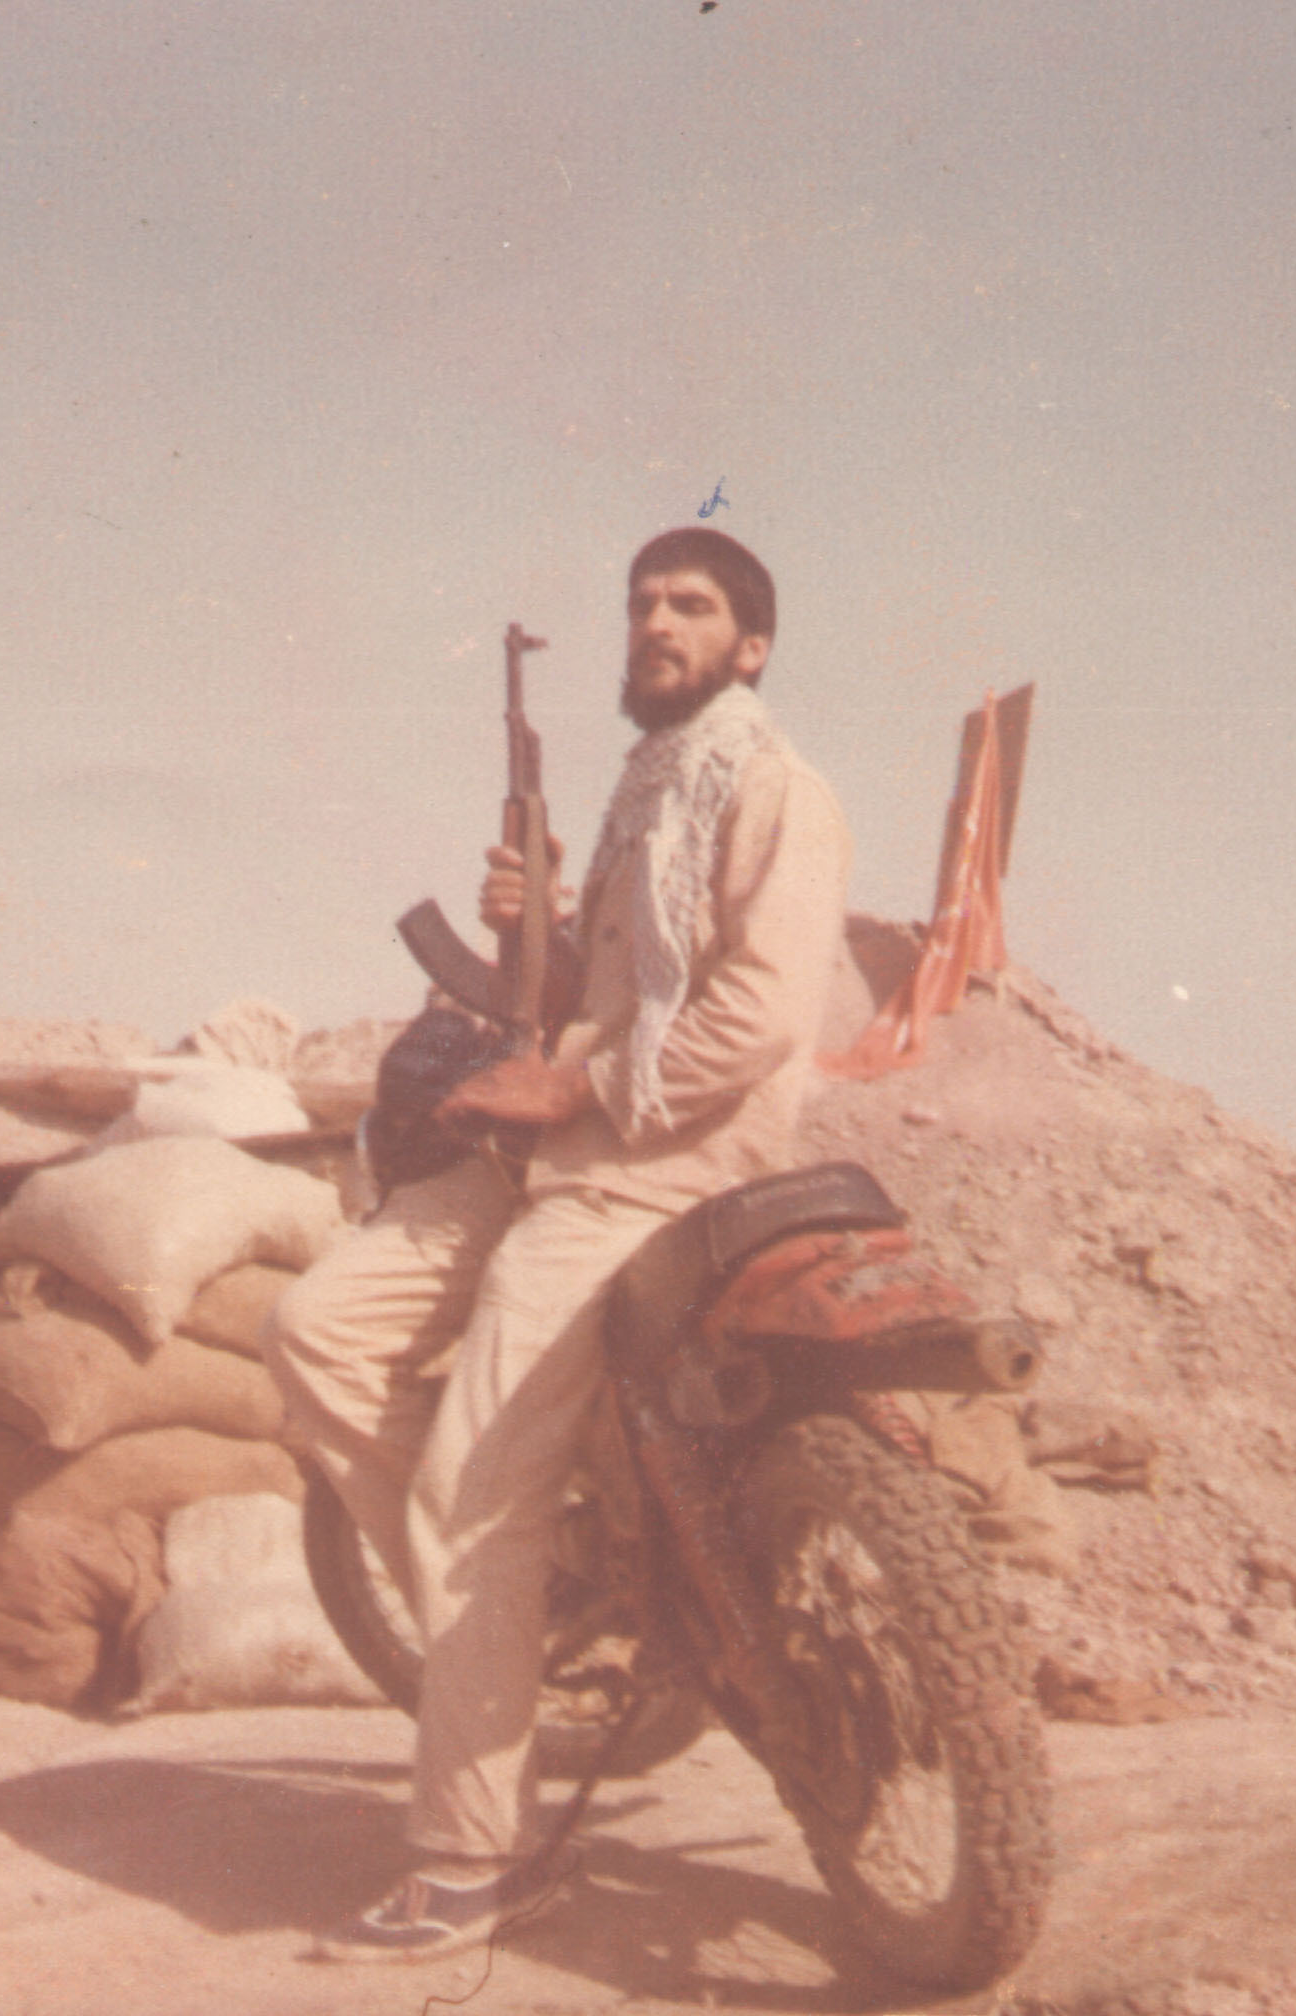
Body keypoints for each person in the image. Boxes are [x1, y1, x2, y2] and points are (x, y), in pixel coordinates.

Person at [266, 528, 859, 1961]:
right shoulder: (650, 786)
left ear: (751, 648)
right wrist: (545, 923)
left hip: (654, 1168)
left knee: (469, 1493)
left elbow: (762, 1014)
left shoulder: (771, 785)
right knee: (313, 1331)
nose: (657, 622)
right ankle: (527, 1590)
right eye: (643, 602)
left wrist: (577, 1089)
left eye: (692, 606)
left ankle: (476, 1857)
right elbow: (605, 989)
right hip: (551, 1155)